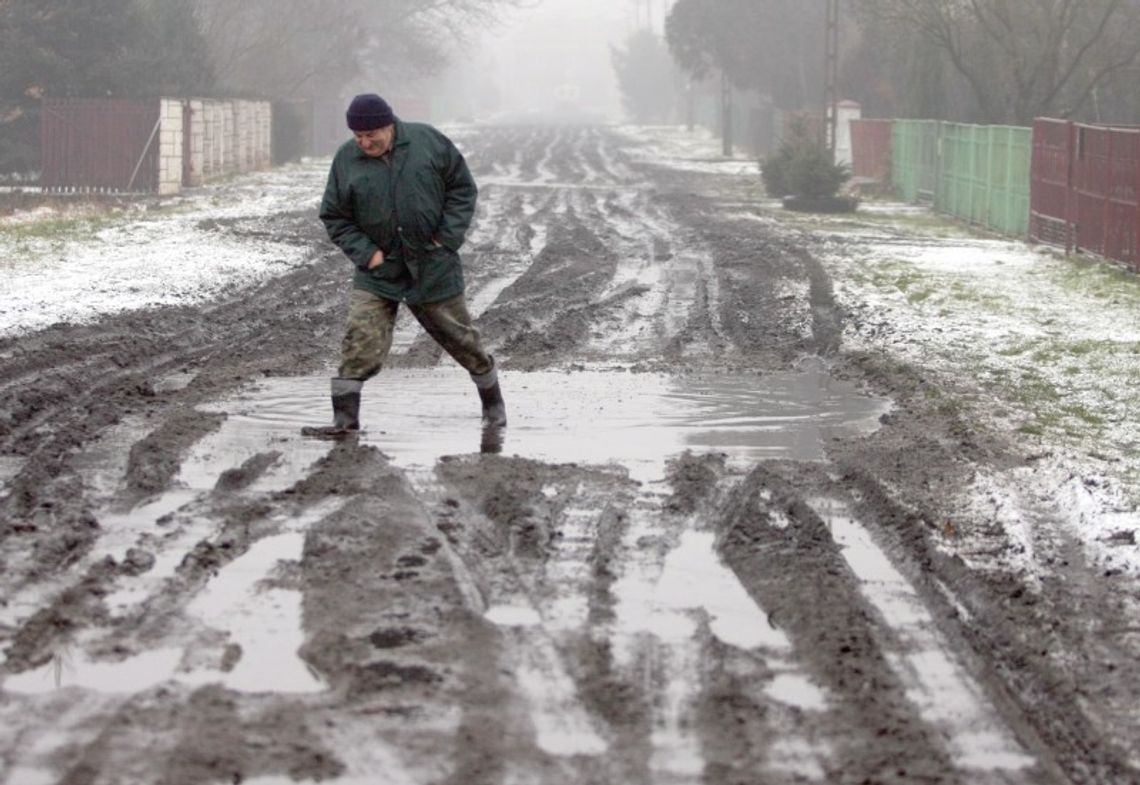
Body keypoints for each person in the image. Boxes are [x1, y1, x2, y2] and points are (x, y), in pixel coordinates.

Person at [303, 93, 505, 438]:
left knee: (460, 339)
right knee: (360, 337)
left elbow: (462, 190)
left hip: (432, 266)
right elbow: (335, 215)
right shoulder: (346, 159)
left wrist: (445, 239)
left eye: (371, 135)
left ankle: (493, 406)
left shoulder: (429, 142)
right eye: (358, 136)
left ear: (389, 125)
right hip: (378, 271)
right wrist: (367, 254)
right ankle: (345, 421)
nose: (365, 142)